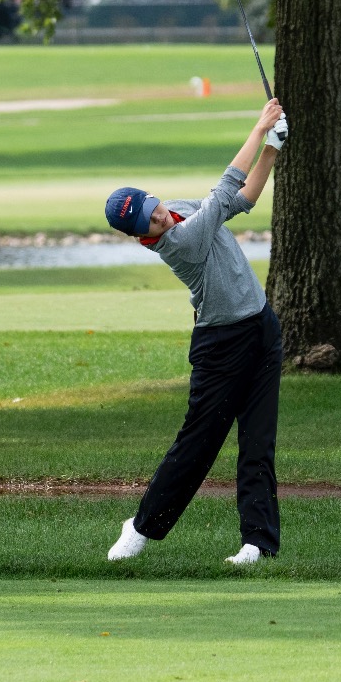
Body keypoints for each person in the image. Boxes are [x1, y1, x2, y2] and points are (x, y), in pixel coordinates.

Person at [102, 97, 287, 567]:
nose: (160, 216)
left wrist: (273, 148)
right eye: (149, 221)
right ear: (141, 235)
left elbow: (241, 201)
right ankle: (142, 527)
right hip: (221, 345)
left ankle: (258, 543)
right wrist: (261, 127)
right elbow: (226, 188)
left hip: (262, 328)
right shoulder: (177, 243)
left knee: (258, 441)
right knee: (198, 445)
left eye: (154, 206)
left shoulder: (181, 210)